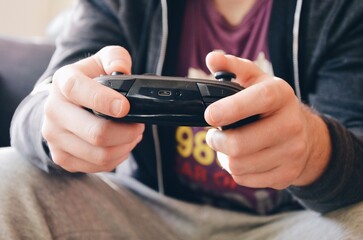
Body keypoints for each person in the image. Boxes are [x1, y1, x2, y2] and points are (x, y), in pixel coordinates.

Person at [1, 0, 363, 239]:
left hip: (293, 224)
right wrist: (49, 123)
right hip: (142, 214)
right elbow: (39, 103)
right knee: (7, 174)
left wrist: (314, 150)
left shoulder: (340, 9)